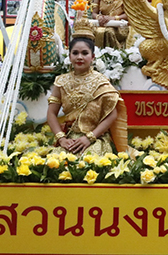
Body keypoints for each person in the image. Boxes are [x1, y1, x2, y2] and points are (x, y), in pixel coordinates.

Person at [47, 19, 125, 155]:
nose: (79, 57)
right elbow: (51, 113)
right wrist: (61, 138)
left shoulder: (101, 81)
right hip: (69, 138)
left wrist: (90, 137)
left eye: (84, 53)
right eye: (75, 53)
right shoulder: (61, 81)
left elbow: (112, 114)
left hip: (95, 139)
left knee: (89, 162)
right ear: (69, 56)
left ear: (92, 57)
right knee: (56, 162)